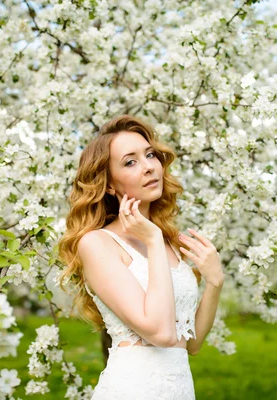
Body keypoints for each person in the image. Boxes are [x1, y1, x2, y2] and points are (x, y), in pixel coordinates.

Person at [57, 115, 225, 399]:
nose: (149, 167)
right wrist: (153, 240)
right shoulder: (97, 243)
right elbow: (160, 334)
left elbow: (190, 344)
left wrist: (214, 283)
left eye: (150, 155)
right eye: (130, 162)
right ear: (109, 185)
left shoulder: (166, 241)